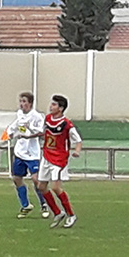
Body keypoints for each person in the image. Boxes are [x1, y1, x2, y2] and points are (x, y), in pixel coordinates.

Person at [38, 94, 83, 229]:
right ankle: (58, 212)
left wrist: (76, 151)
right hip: (46, 156)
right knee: (41, 187)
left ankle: (71, 214)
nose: (50, 107)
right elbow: (43, 133)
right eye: (51, 104)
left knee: (56, 187)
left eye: (54, 105)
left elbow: (78, 140)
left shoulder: (66, 124)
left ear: (61, 108)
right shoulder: (47, 119)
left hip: (58, 159)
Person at [6, 91, 50, 218]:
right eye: (20, 101)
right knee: (16, 178)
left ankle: (44, 204)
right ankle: (26, 205)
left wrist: (29, 132)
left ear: (30, 103)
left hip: (32, 154)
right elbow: (16, 125)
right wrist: (10, 132)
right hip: (20, 152)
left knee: (36, 179)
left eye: (24, 101)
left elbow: (41, 132)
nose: (21, 104)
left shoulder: (37, 116)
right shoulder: (19, 114)